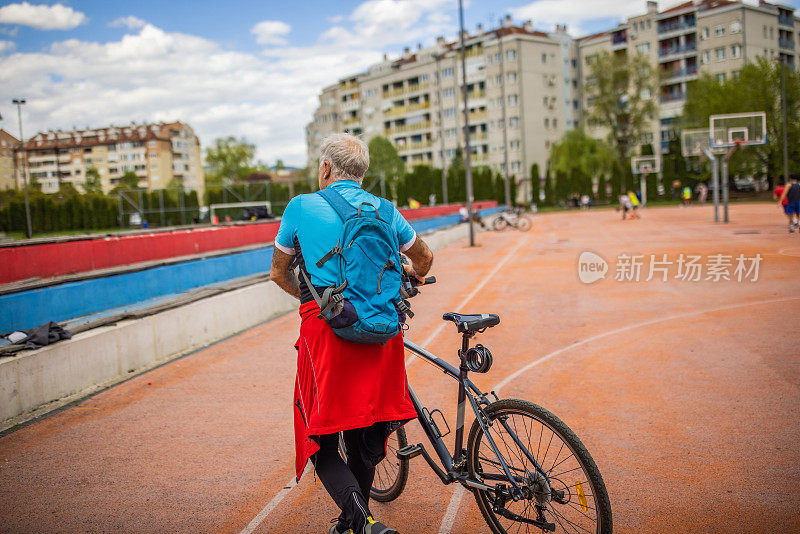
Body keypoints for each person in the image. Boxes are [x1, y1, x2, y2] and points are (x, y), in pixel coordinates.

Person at [270, 133, 433, 534]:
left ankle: (363, 523)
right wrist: (412, 277)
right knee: (368, 431)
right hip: (382, 333)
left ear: (326, 168)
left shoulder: (301, 206)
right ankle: (355, 523)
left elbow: (278, 273)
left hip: (329, 335)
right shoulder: (385, 209)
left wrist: (317, 302)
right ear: (362, 174)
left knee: (319, 436)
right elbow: (424, 257)